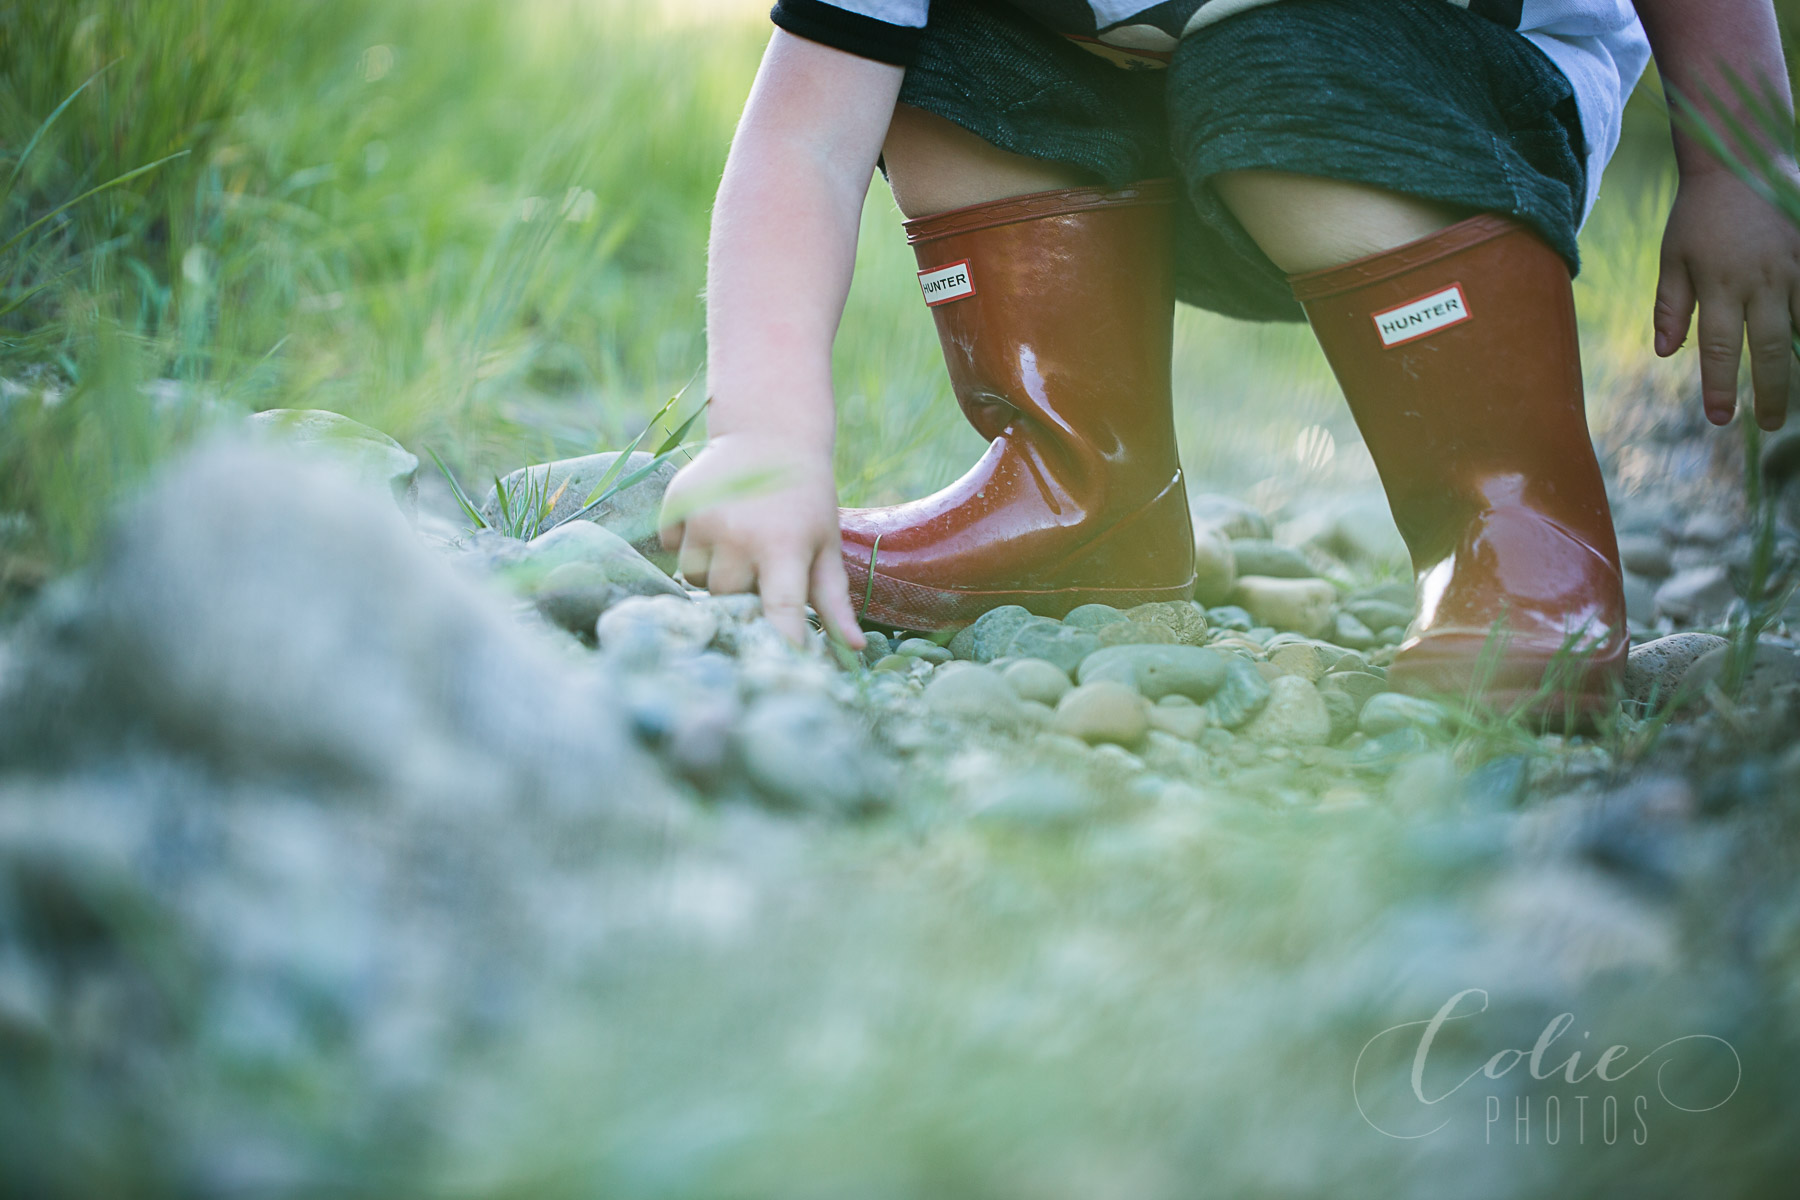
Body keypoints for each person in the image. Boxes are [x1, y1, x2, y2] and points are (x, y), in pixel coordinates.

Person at [659, 0, 1800, 711]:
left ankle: (1514, 518)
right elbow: (805, 134)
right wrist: (763, 443)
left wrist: (1737, 162)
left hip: (1439, 124)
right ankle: (1081, 491)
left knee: (1277, 57)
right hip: (1113, 159)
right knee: (934, 41)